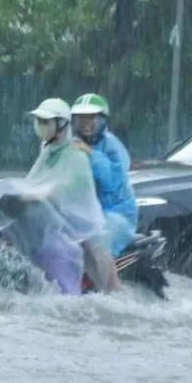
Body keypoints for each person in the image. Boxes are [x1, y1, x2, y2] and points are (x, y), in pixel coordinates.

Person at [22, 98, 113, 295]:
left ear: (62, 124)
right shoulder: (47, 150)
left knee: (98, 257)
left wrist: (45, 193)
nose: (40, 126)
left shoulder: (76, 154)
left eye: (46, 122)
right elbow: (32, 180)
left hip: (82, 223)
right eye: (38, 121)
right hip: (54, 221)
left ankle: (117, 298)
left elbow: (68, 187)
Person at [70, 93, 137, 287]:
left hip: (116, 215)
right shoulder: (71, 144)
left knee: (95, 240)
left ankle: (113, 295)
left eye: (91, 117)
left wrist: (90, 153)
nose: (85, 122)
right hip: (85, 212)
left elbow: (111, 181)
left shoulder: (113, 146)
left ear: (102, 120)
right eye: (81, 118)